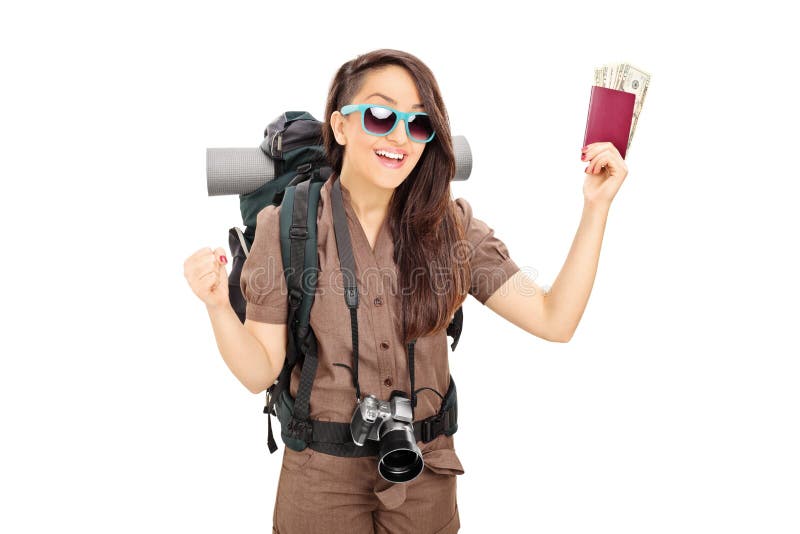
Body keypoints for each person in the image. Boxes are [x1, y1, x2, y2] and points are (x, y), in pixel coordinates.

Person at [183, 48, 629, 534]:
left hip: (425, 477)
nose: (400, 136)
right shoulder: (289, 225)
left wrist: (596, 207)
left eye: (418, 123)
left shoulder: (451, 228)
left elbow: (554, 319)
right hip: (319, 479)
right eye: (379, 115)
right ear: (340, 126)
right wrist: (217, 308)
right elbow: (258, 372)